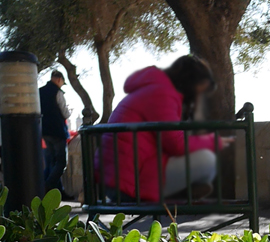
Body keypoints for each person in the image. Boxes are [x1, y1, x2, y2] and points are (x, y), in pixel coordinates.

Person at [99, 56, 230, 204]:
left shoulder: (152, 87)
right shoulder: (162, 94)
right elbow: (177, 145)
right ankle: (181, 194)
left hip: (116, 180)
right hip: (127, 186)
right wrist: (212, 141)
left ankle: (183, 193)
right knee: (208, 160)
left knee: (201, 161)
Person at [39, 69, 71, 195]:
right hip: (57, 131)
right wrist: (70, 113)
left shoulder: (39, 92)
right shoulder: (58, 92)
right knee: (61, 163)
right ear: (59, 80)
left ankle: (57, 191)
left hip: (44, 131)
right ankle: (48, 186)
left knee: (50, 162)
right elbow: (64, 112)